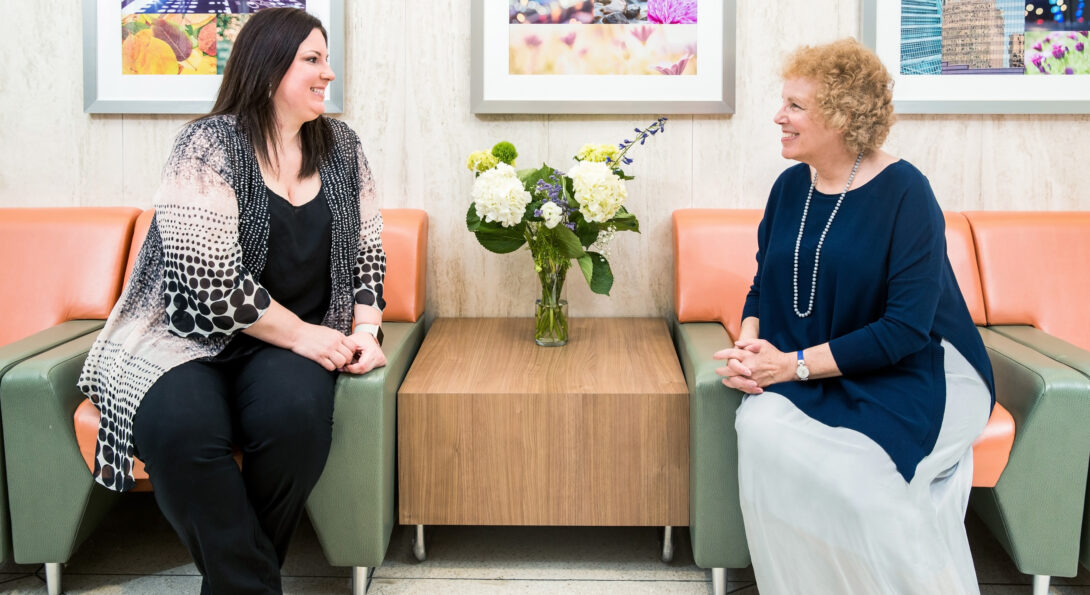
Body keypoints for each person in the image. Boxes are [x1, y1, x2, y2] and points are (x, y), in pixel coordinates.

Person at [78, 8, 386, 593]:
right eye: (313, 60)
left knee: (295, 421)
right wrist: (304, 334)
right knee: (180, 430)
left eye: (328, 61)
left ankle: (236, 582)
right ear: (270, 67)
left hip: (288, 344)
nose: (328, 74)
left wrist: (367, 331)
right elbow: (206, 278)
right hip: (183, 336)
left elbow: (368, 252)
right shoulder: (207, 144)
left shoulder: (342, 146)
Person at [714, 38, 995, 594]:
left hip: (914, 371)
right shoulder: (790, 185)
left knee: (862, 477)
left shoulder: (906, 192)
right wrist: (750, 347)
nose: (779, 116)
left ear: (841, 117)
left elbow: (906, 329)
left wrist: (789, 366)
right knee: (760, 425)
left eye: (795, 105)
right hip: (812, 361)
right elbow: (762, 285)